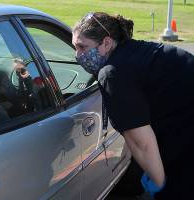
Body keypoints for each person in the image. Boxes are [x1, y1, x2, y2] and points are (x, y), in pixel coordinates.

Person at [72, 12, 194, 199]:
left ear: (106, 43)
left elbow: (142, 142)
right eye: (75, 47)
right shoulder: (132, 51)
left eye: (82, 47)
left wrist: (159, 184)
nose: (77, 55)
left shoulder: (112, 73)